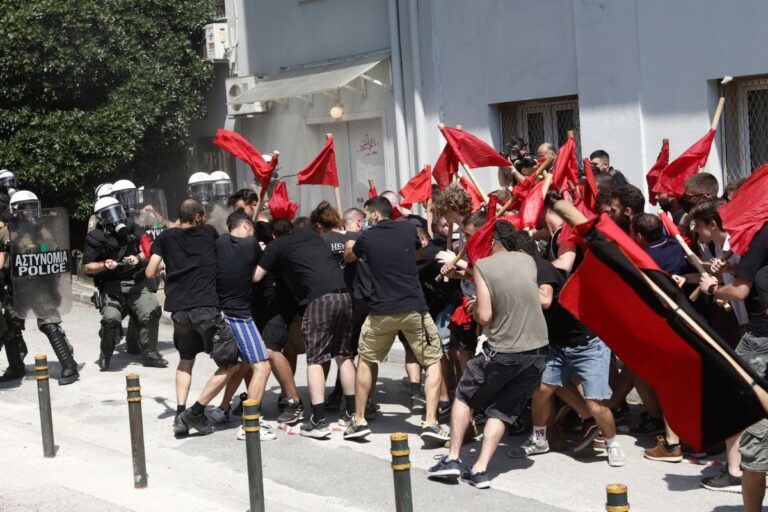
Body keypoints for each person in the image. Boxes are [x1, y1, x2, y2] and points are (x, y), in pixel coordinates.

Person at [427, 221, 549, 489]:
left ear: (493, 241)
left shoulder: (485, 265)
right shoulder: (528, 260)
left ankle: (452, 460)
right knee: (502, 410)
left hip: (504, 349)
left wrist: (473, 309)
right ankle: (480, 469)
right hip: (537, 351)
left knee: (464, 395)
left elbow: (485, 316)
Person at [509, 230, 626, 467]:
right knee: (541, 390)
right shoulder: (533, 270)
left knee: (596, 403)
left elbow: (544, 300)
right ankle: (539, 440)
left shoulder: (540, 269)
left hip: (587, 343)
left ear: (520, 254)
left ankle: (612, 444)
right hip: (557, 344)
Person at [342, 196, 448, 443]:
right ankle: (431, 422)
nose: (366, 219)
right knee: (433, 361)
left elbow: (350, 257)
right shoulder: (407, 228)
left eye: (368, 214)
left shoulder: (366, 237)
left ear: (376, 215)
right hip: (414, 308)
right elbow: (418, 249)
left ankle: (358, 421)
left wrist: (354, 239)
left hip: (381, 311)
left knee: (366, 359)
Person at [253, 215, 354, 440]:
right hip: (344, 295)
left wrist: (265, 255)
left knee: (315, 359)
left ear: (273, 234)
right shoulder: (311, 235)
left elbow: (256, 276)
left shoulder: (276, 244)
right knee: (343, 355)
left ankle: (317, 420)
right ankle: (353, 416)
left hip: (318, 299)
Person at [146, 199, 240, 436]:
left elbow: (149, 271)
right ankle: (196, 412)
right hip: (205, 308)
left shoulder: (166, 237)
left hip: (179, 311)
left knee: (186, 359)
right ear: (199, 216)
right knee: (231, 361)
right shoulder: (208, 233)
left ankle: (179, 414)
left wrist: (165, 270)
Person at [0, 191, 79, 385]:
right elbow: (1, 262)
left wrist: (38, 246)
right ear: (14, 211)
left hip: (40, 287)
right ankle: (16, 366)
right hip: (16, 288)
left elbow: (54, 251)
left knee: (49, 323)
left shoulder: (44, 229)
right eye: (23, 208)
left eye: (31, 207)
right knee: (11, 327)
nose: (28, 213)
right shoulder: (5, 231)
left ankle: (69, 366)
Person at [84, 197, 167, 370]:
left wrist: (137, 258)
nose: (114, 217)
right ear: (100, 218)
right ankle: (106, 352)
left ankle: (150, 353)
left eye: (116, 211)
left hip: (136, 283)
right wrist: (104, 265)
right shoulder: (95, 237)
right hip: (112, 287)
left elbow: (150, 250)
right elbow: (88, 267)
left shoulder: (132, 228)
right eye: (108, 214)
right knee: (110, 318)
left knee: (151, 310)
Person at [214, 212, 276, 441]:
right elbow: (259, 273)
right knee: (262, 366)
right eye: (251, 228)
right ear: (247, 225)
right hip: (240, 315)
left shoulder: (220, 242)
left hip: (223, 311)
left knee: (241, 366)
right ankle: (251, 421)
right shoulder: (252, 245)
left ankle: (222, 409)